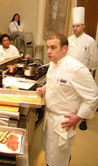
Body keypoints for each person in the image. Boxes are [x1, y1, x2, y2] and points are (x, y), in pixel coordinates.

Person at [36, 33, 98, 166]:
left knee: (57, 160)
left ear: (64, 49)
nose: (48, 51)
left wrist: (79, 116)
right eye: (47, 47)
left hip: (63, 121)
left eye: (53, 47)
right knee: (51, 153)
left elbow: (93, 95)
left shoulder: (76, 69)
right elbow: (57, 82)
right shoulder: (54, 63)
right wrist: (46, 88)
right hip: (50, 118)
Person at [67, 7, 98, 130]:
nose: (75, 28)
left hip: (83, 72)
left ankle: (83, 118)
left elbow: (94, 59)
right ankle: (71, 114)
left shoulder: (90, 41)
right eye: (74, 26)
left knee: (84, 96)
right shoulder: (69, 40)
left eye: (78, 26)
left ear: (83, 26)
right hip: (70, 72)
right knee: (72, 94)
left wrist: (89, 72)